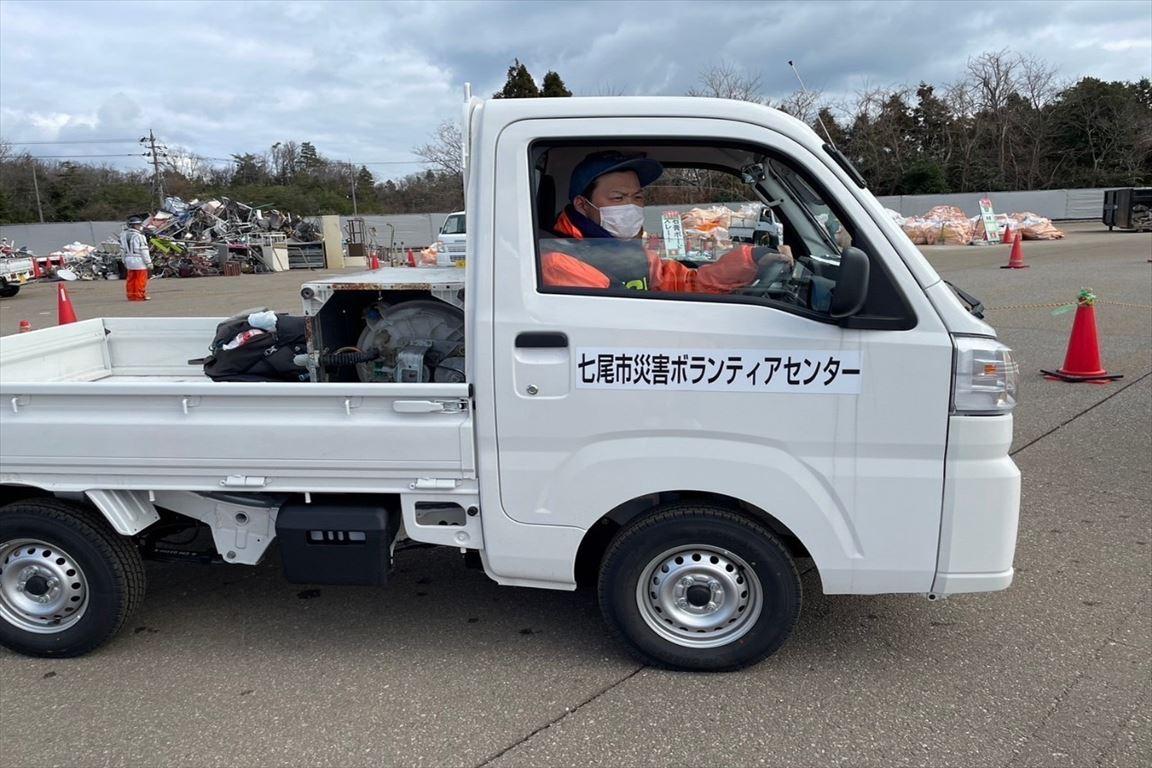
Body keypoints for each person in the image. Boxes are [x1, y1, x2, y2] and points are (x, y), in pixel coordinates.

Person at [542, 150, 791, 293]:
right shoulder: (558, 262)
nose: (632, 206)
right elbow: (623, 320)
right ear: (582, 205)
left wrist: (751, 260)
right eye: (618, 198)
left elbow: (687, 284)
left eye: (638, 197)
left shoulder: (631, 251)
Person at [119, 215, 153, 301]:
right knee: (140, 279)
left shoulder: (123, 235)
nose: (139, 226)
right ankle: (139, 295)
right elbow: (144, 250)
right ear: (133, 225)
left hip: (128, 259)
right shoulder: (140, 236)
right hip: (139, 260)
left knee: (131, 279)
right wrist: (148, 262)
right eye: (138, 225)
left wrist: (124, 261)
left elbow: (122, 250)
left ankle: (131, 295)